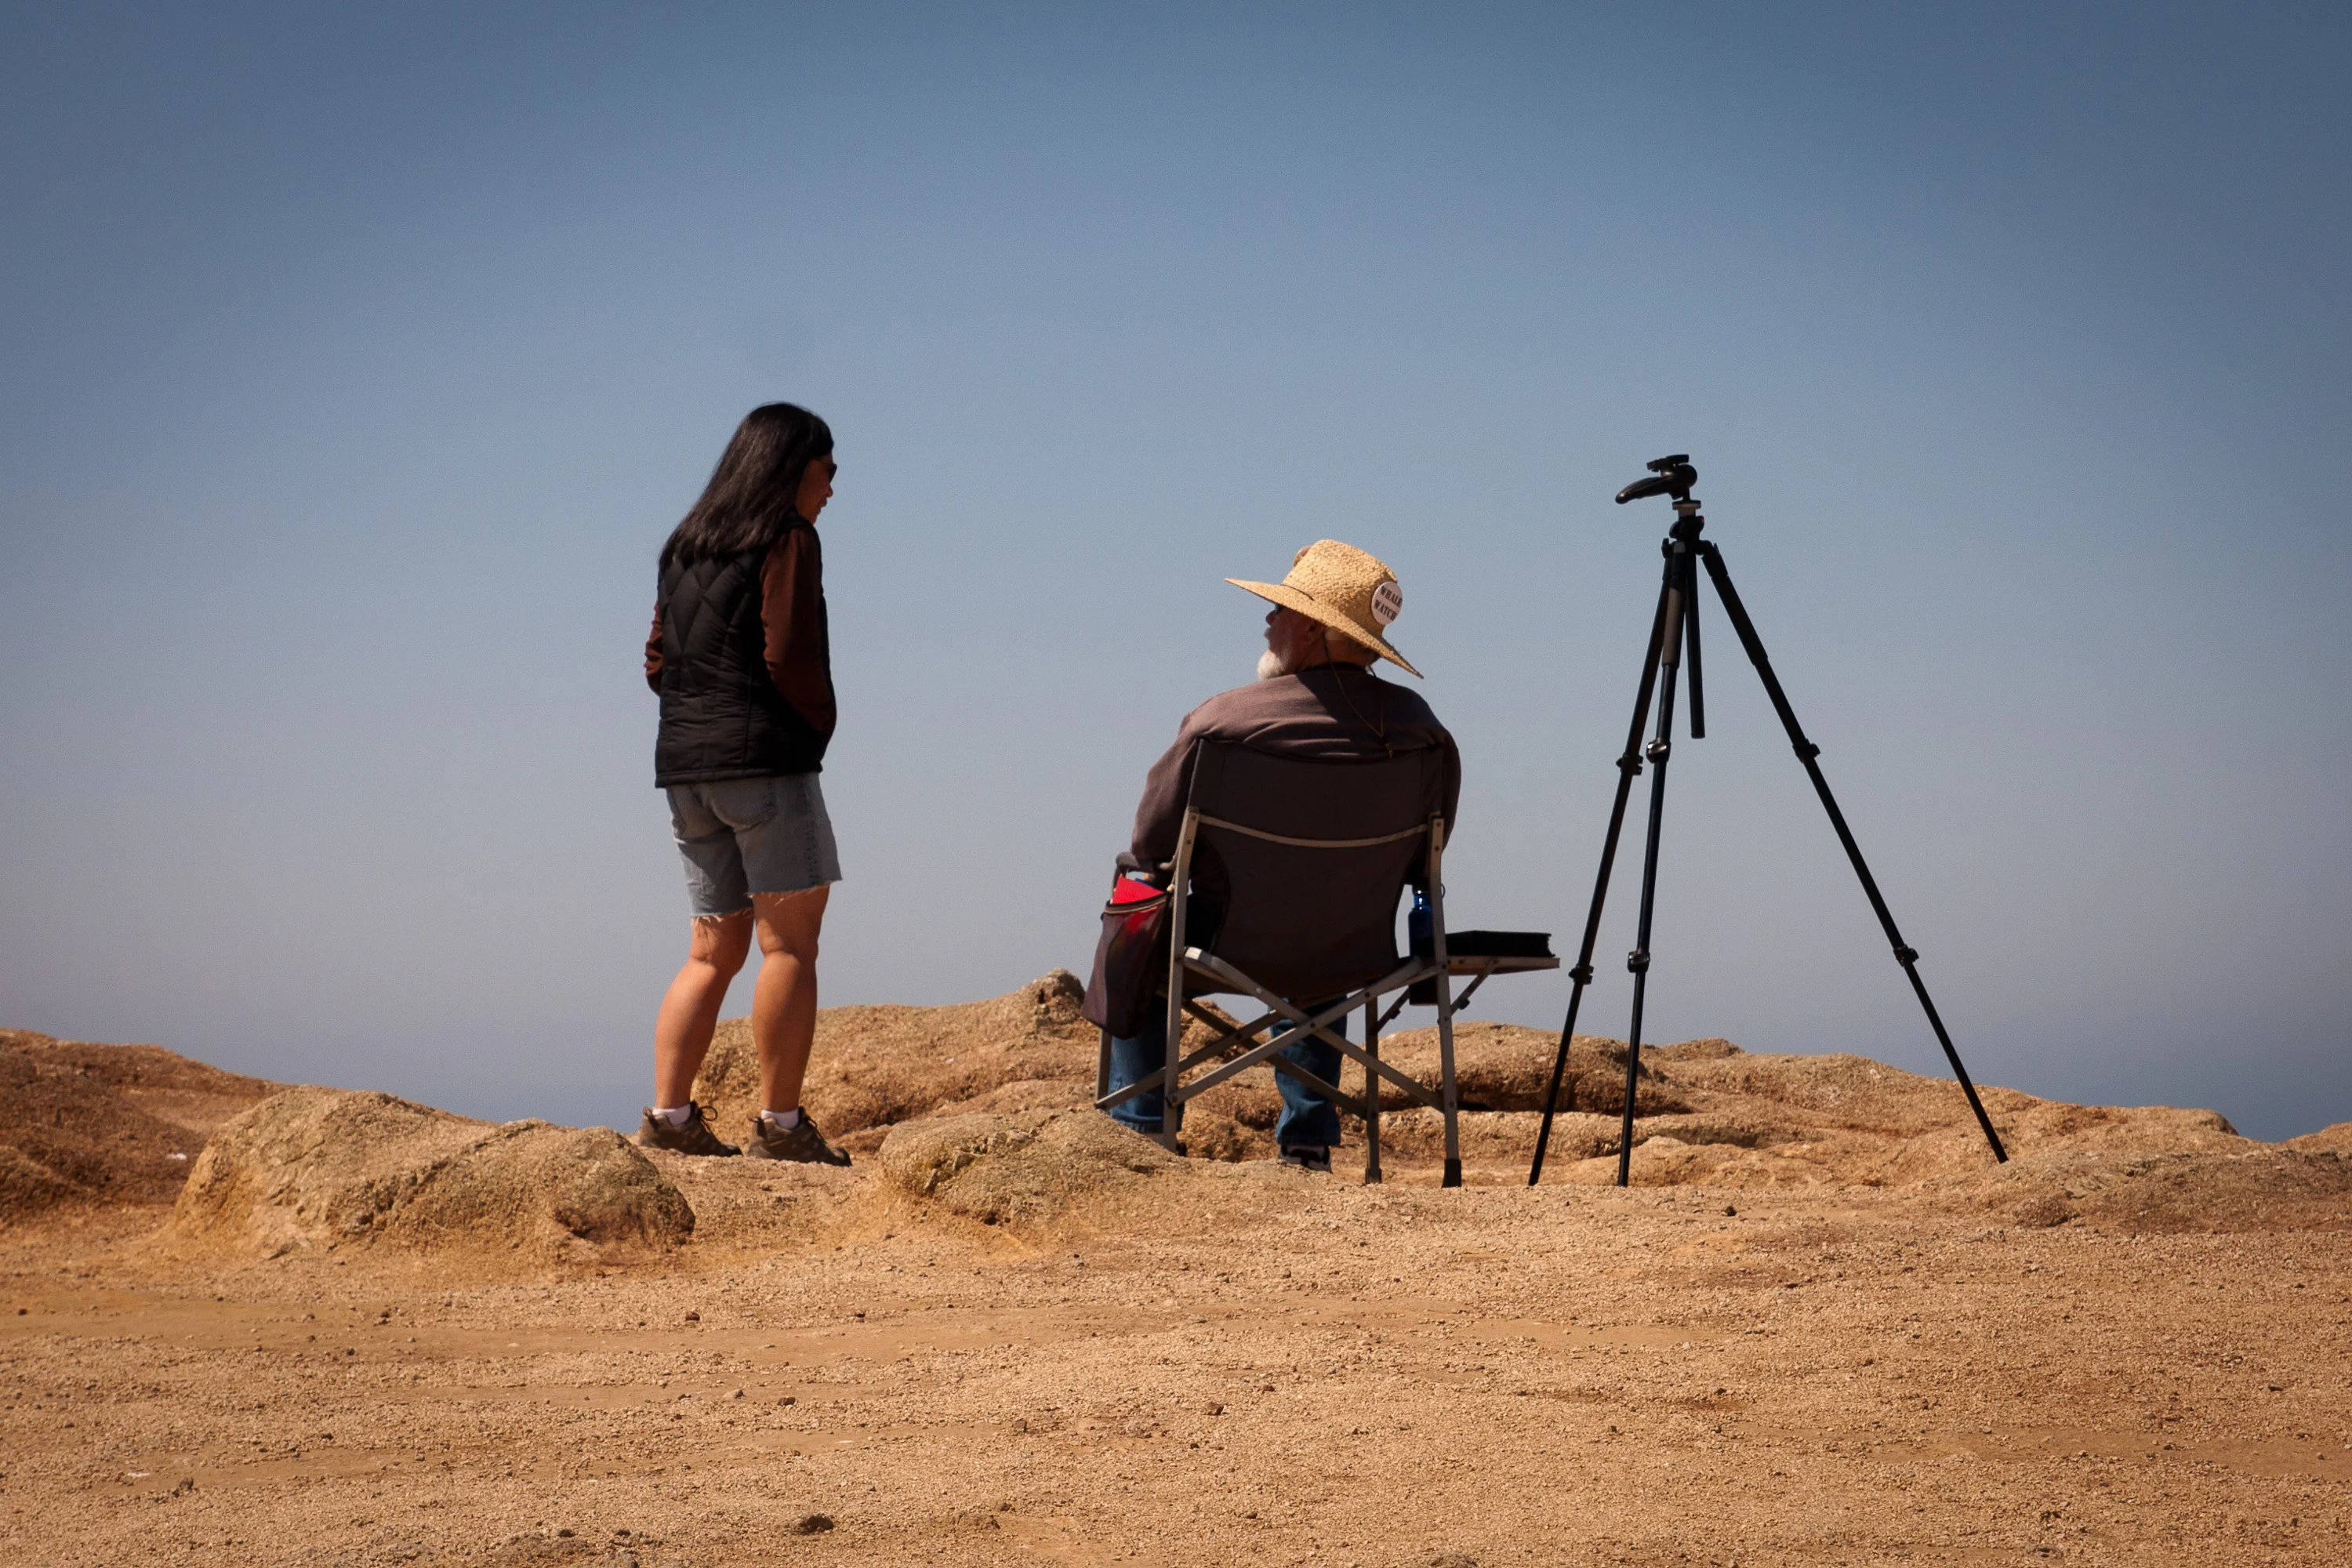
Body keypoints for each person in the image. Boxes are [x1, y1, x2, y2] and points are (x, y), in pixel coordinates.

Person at [1102, 540, 1460, 1171]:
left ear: (1315, 628)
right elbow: (1422, 860)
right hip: (1355, 947)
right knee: (1325, 929)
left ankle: (1140, 1129)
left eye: (1281, 608)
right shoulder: (1425, 734)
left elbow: (1151, 848)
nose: (1267, 619)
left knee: (1138, 921)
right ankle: (1307, 1142)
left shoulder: (1222, 723)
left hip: (1230, 941)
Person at [637, 402, 851, 1165]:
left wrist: (703, 715)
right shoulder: (787, 536)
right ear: (792, 466)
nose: (833, 487)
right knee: (788, 946)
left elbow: (657, 659)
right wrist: (819, 724)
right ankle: (781, 1126)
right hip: (766, 767)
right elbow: (789, 651)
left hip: (686, 772)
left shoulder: (685, 544)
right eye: (828, 468)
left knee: (710, 951)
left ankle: (669, 1117)